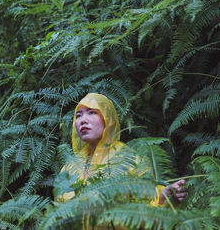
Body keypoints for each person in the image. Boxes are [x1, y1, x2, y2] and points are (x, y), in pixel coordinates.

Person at [54, 93, 187, 221]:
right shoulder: (70, 167)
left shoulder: (130, 160)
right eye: (78, 115)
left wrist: (163, 199)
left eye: (92, 112)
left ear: (108, 118)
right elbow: (56, 216)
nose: (83, 120)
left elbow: (143, 209)